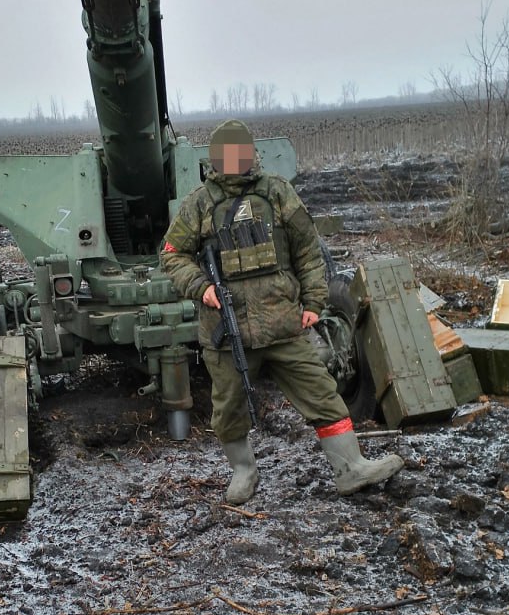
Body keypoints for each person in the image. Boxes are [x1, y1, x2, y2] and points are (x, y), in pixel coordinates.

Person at [161, 119, 403, 503]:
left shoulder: (276, 193)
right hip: (227, 331)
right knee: (228, 410)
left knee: (323, 394)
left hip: (283, 324)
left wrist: (313, 303)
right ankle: (244, 472)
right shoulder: (199, 204)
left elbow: (307, 250)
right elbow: (172, 256)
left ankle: (351, 468)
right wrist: (202, 287)